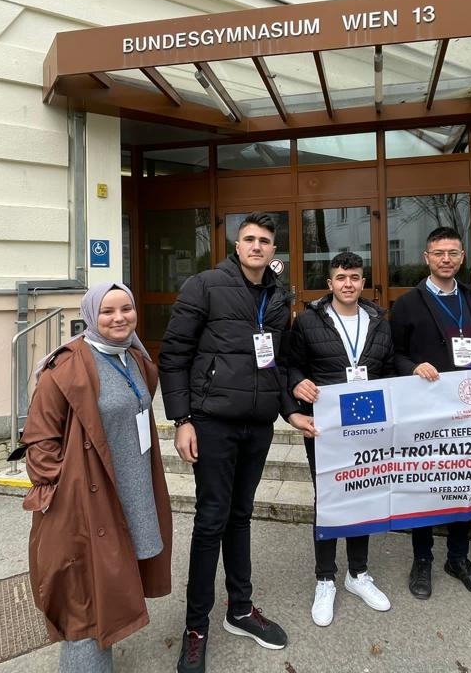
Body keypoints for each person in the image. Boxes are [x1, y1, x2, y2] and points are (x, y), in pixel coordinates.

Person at [160, 212, 302, 673]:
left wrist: (289, 410)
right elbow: (174, 354)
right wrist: (182, 419)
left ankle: (240, 609)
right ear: (236, 246)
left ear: (273, 250)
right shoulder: (204, 285)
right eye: (249, 239)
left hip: (257, 425)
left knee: (240, 516)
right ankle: (195, 628)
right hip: (213, 422)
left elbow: (280, 362)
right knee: (211, 521)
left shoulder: (278, 296)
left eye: (265, 241)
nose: (257, 246)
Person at [20, 282, 172, 673]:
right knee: (85, 596)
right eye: (108, 311)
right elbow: (39, 442)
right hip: (87, 498)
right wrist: (69, 487)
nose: (119, 318)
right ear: (90, 315)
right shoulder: (66, 367)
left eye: (126, 309)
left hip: (132, 490)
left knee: (111, 581)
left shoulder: (134, 357)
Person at [389, 227, 471, 601]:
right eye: (439, 253)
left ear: (462, 257)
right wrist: (413, 367)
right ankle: (422, 559)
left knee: (464, 483)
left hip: (468, 411)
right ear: (426, 257)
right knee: (427, 486)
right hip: (427, 410)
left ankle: (458, 558)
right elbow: (393, 354)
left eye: (453, 253)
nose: (446, 259)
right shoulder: (407, 303)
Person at [287, 251, 394, 627]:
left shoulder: (379, 321)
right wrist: (297, 383)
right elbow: (291, 365)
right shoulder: (308, 321)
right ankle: (325, 579)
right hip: (326, 425)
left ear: (363, 282)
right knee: (329, 496)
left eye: (355, 277)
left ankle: (358, 574)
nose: (348, 284)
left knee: (362, 492)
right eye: (341, 277)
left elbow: (390, 369)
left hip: (368, 423)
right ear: (330, 283)